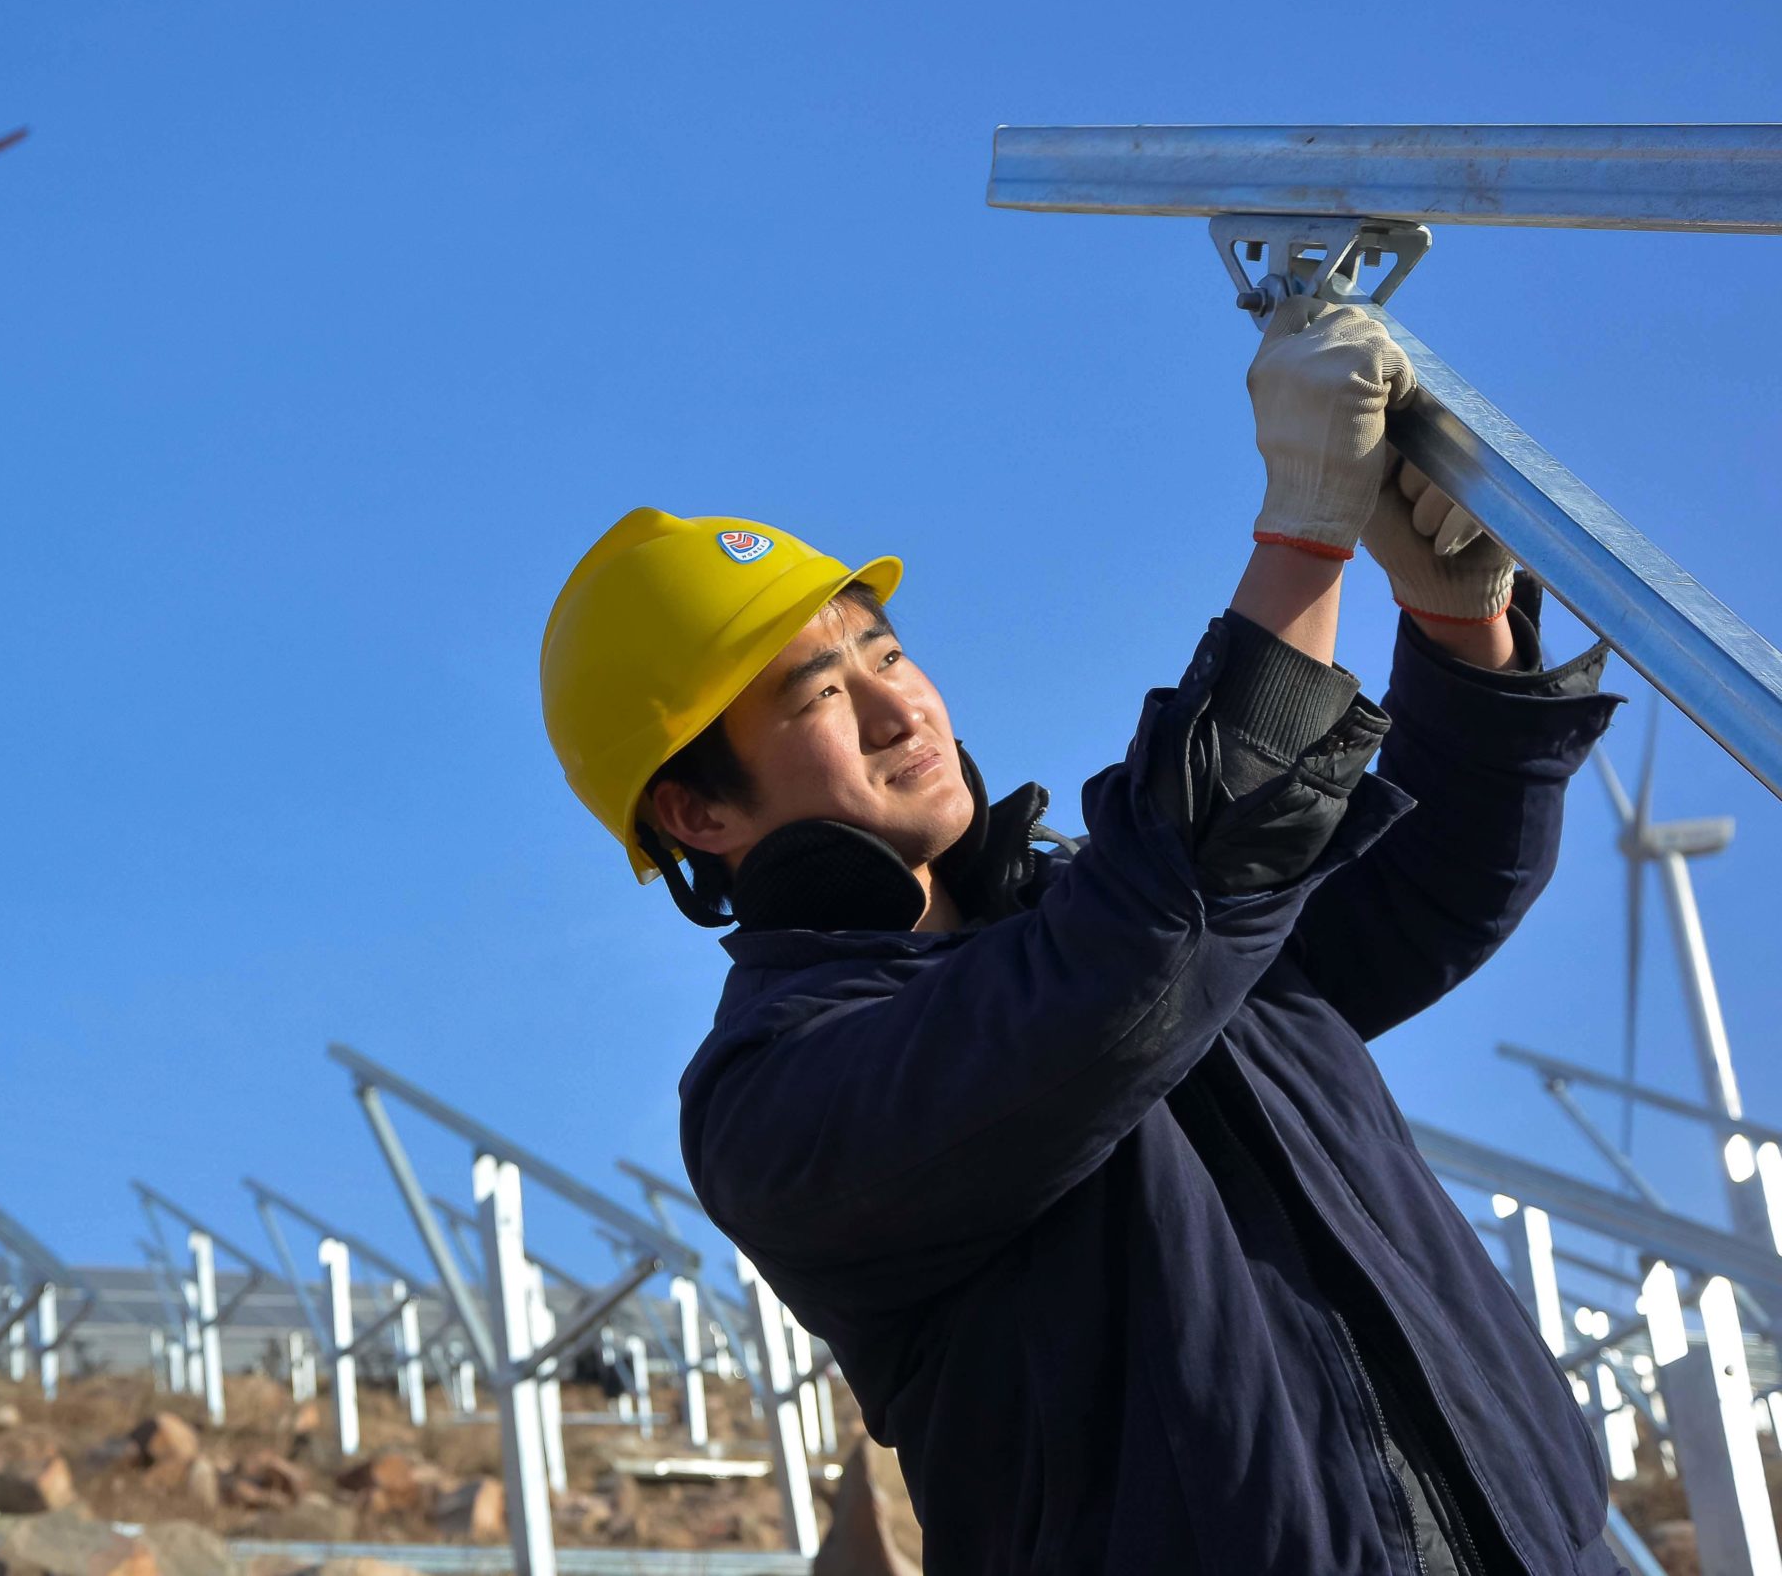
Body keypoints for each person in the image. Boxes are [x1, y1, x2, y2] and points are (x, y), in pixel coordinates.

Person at [538, 295, 1624, 1575]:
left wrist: (1459, 628)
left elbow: (1421, 889)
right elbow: (1117, 987)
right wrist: (1301, 544)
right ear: (695, 808)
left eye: (885, 649)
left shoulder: (1120, 915)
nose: (901, 709)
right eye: (821, 694)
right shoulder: (778, 1096)